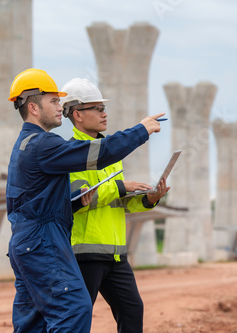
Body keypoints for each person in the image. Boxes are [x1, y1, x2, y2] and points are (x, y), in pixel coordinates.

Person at [6, 68, 164, 332]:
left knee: (34, 322)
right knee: (74, 309)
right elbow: (101, 154)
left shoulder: (30, 144)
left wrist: (145, 199)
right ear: (33, 107)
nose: (61, 107)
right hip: (46, 241)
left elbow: (42, 202)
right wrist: (141, 131)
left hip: (34, 239)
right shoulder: (44, 145)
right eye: (54, 101)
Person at [60, 78, 170, 332]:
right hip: (85, 254)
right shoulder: (70, 154)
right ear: (77, 114)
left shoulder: (108, 154)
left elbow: (119, 202)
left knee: (132, 311)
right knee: (77, 318)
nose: (104, 114)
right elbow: (80, 201)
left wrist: (148, 200)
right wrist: (122, 186)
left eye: (103, 108)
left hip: (116, 253)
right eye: (97, 109)